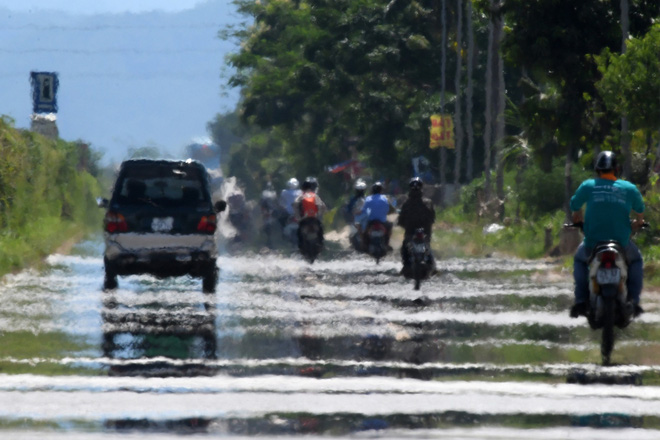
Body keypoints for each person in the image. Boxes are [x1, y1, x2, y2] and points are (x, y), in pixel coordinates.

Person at [569, 150, 645, 318]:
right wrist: (639, 221)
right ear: (616, 169)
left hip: (593, 243)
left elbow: (574, 204)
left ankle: (581, 300)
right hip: (621, 243)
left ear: (598, 170)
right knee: (636, 260)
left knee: (580, 260)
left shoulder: (588, 186)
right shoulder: (629, 188)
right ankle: (634, 301)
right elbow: (640, 210)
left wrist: (577, 216)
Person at [397, 177, 436, 273]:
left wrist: (403, 225)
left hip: (411, 232)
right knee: (427, 247)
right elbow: (432, 218)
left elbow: (401, 219)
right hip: (425, 232)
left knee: (405, 247)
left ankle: (406, 265)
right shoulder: (428, 202)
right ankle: (432, 266)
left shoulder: (406, 203)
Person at [359, 181, 394, 249]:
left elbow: (364, 210)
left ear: (372, 190)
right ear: (381, 190)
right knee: (389, 227)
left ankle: (364, 245)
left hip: (371, 221)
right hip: (382, 221)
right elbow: (388, 209)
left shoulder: (368, 198)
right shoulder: (385, 198)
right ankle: (387, 243)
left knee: (364, 231)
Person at [293, 177, 327, 245]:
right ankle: (322, 244)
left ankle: (299, 246)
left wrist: (298, 217)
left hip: (304, 219)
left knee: (299, 231)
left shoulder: (301, 196)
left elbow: (295, 204)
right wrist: (320, 214)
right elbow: (322, 206)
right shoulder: (315, 196)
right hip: (314, 218)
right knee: (320, 229)